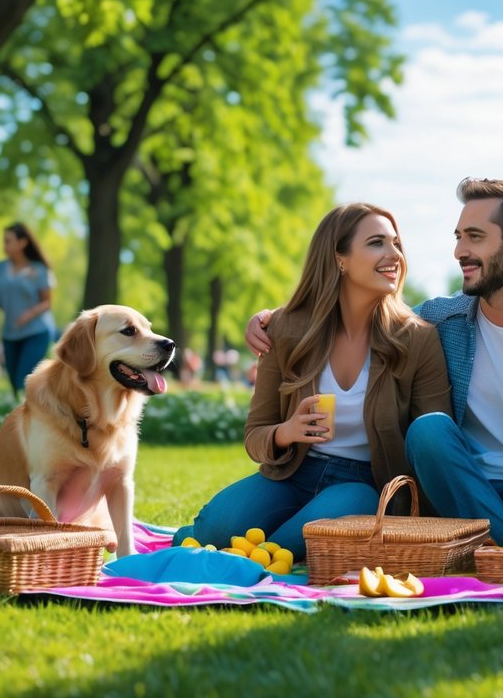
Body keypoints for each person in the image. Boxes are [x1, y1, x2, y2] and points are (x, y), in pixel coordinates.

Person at [246, 179, 503, 546]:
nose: (460, 251)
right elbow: (367, 310)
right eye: (459, 236)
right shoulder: (437, 320)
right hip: (463, 491)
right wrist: (274, 319)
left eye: (475, 237)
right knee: (429, 430)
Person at [178, 203, 452, 559]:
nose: (394, 254)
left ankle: (261, 554)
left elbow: (431, 444)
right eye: (376, 243)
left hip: (363, 484)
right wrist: (285, 432)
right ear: (340, 258)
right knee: (216, 529)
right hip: (292, 475)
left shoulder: (416, 338)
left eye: (396, 243)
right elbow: (255, 434)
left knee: (288, 545)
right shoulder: (287, 330)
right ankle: (207, 540)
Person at [0, 223, 58, 395]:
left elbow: (47, 303)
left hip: (36, 332)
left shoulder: (39, 270)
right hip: (10, 333)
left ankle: (34, 415)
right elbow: (1, 299)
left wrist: (29, 314)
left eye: (8, 241)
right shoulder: (0, 268)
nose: (5, 246)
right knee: (13, 383)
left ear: (23, 242)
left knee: (22, 380)